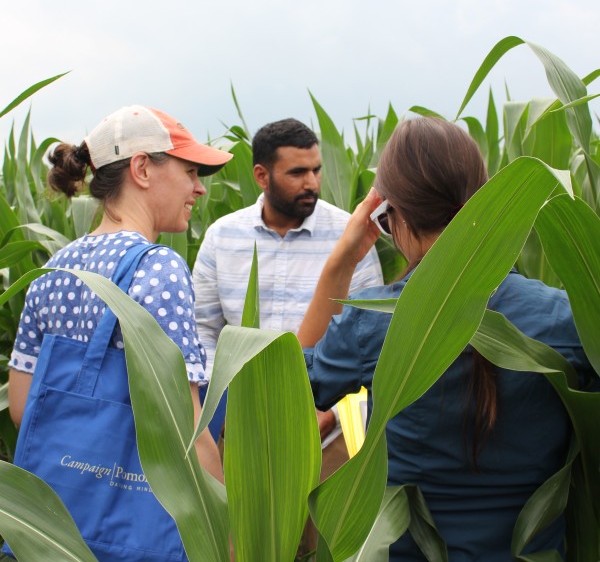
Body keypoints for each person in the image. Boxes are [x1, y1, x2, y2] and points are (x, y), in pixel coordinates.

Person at [298, 117, 597, 560]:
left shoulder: (373, 324)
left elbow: (286, 391)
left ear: (389, 213)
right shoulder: (568, 320)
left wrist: (340, 261)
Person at [8, 105, 231, 481]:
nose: (199, 187)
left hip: (61, 508)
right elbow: (185, 428)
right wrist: (223, 529)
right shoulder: (157, 268)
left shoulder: (53, 269)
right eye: (190, 172)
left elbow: (22, 407)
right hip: (138, 507)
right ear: (142, 169)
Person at [192, 117, 383, 442]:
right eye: (297, 173)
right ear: (261, 176)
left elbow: (371, 336)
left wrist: (331, 414)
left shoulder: (349, 236)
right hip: (239, 432)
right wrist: (224, 407)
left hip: (328, 435)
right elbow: (202, 330)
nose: (311, 182)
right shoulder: (222, 237)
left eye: (316, 170)